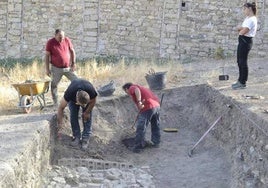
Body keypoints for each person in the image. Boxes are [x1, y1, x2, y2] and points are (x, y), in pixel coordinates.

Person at [57, 79, 98, 150]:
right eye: (81, 104)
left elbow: (93, 101)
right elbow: (60, 108)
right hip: (73, 94)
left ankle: (86, 137)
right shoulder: (69, 93)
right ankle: (76, 136)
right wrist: (60, 124)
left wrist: (87, 112)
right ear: (77, 100)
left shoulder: (91, 91)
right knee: (73, 115)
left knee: (87, 116)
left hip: (86, 93)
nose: (83, 106)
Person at [122, 83, 161, 153]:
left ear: (126, 89)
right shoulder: (143, 88)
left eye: (126, 92)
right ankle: (156, 142)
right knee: (155, 125)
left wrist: (139, 102)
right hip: (156, 106)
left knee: (141, 127)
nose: (128, 94)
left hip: (148, 107)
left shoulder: (132, 87)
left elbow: (136, 90)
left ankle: (138, 147)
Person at [45, 29, 78, 105]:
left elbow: (72, 51)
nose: (62, 39)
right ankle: (56, 102)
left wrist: (73, 63)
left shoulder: (67, 40)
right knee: (54, 85)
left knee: (77, 81)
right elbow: (47, 56)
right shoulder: (50, 42)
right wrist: (47, 69)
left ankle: (77, 99)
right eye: (60, 37)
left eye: (63, 37)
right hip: (56, 68)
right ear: (55, 35)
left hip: (68, 68)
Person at [232, 2, 257, 89]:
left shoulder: (252, 19)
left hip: (246, 41)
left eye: (245, 9)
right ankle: (239, 80)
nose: (244, 11)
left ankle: (243, 83)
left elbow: (243, 31)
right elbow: (241, 29)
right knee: (239, 61)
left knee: (243, 62)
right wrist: (241, 29)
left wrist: (240, 29)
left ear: (249, 9)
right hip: (242, 40)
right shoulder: (247, 18)